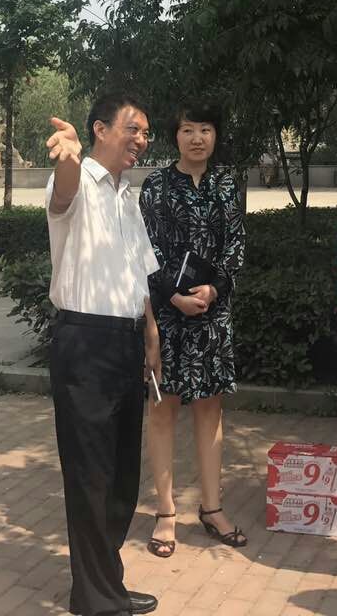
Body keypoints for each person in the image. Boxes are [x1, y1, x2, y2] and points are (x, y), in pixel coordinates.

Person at [44, 94, 163, 616]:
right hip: (85, 344)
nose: (141, 140)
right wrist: (70, 158)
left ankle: (103, 582)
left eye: (146, 133)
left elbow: (140, 271)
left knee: (120, 477)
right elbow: (62, 196)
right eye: (133, 129)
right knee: (90, 476)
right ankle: (97, 600)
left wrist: (151, 332)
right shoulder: (75, 182)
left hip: (126, 340)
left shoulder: (126, 195)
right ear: (100, 129)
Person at [138, 105, 247, 557]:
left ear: (215, 135)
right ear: (176, 136)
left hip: (212, 314)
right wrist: (173, 296)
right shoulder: (156, 186)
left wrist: (215, 288)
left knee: (210, 409)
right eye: (188, 130)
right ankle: (165, 513)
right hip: (167, 316)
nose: (197, 137)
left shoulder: (228, 184)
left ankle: (211, 508)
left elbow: (235, 246)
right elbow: (144, 250)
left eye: (205, 128)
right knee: (163, 409)